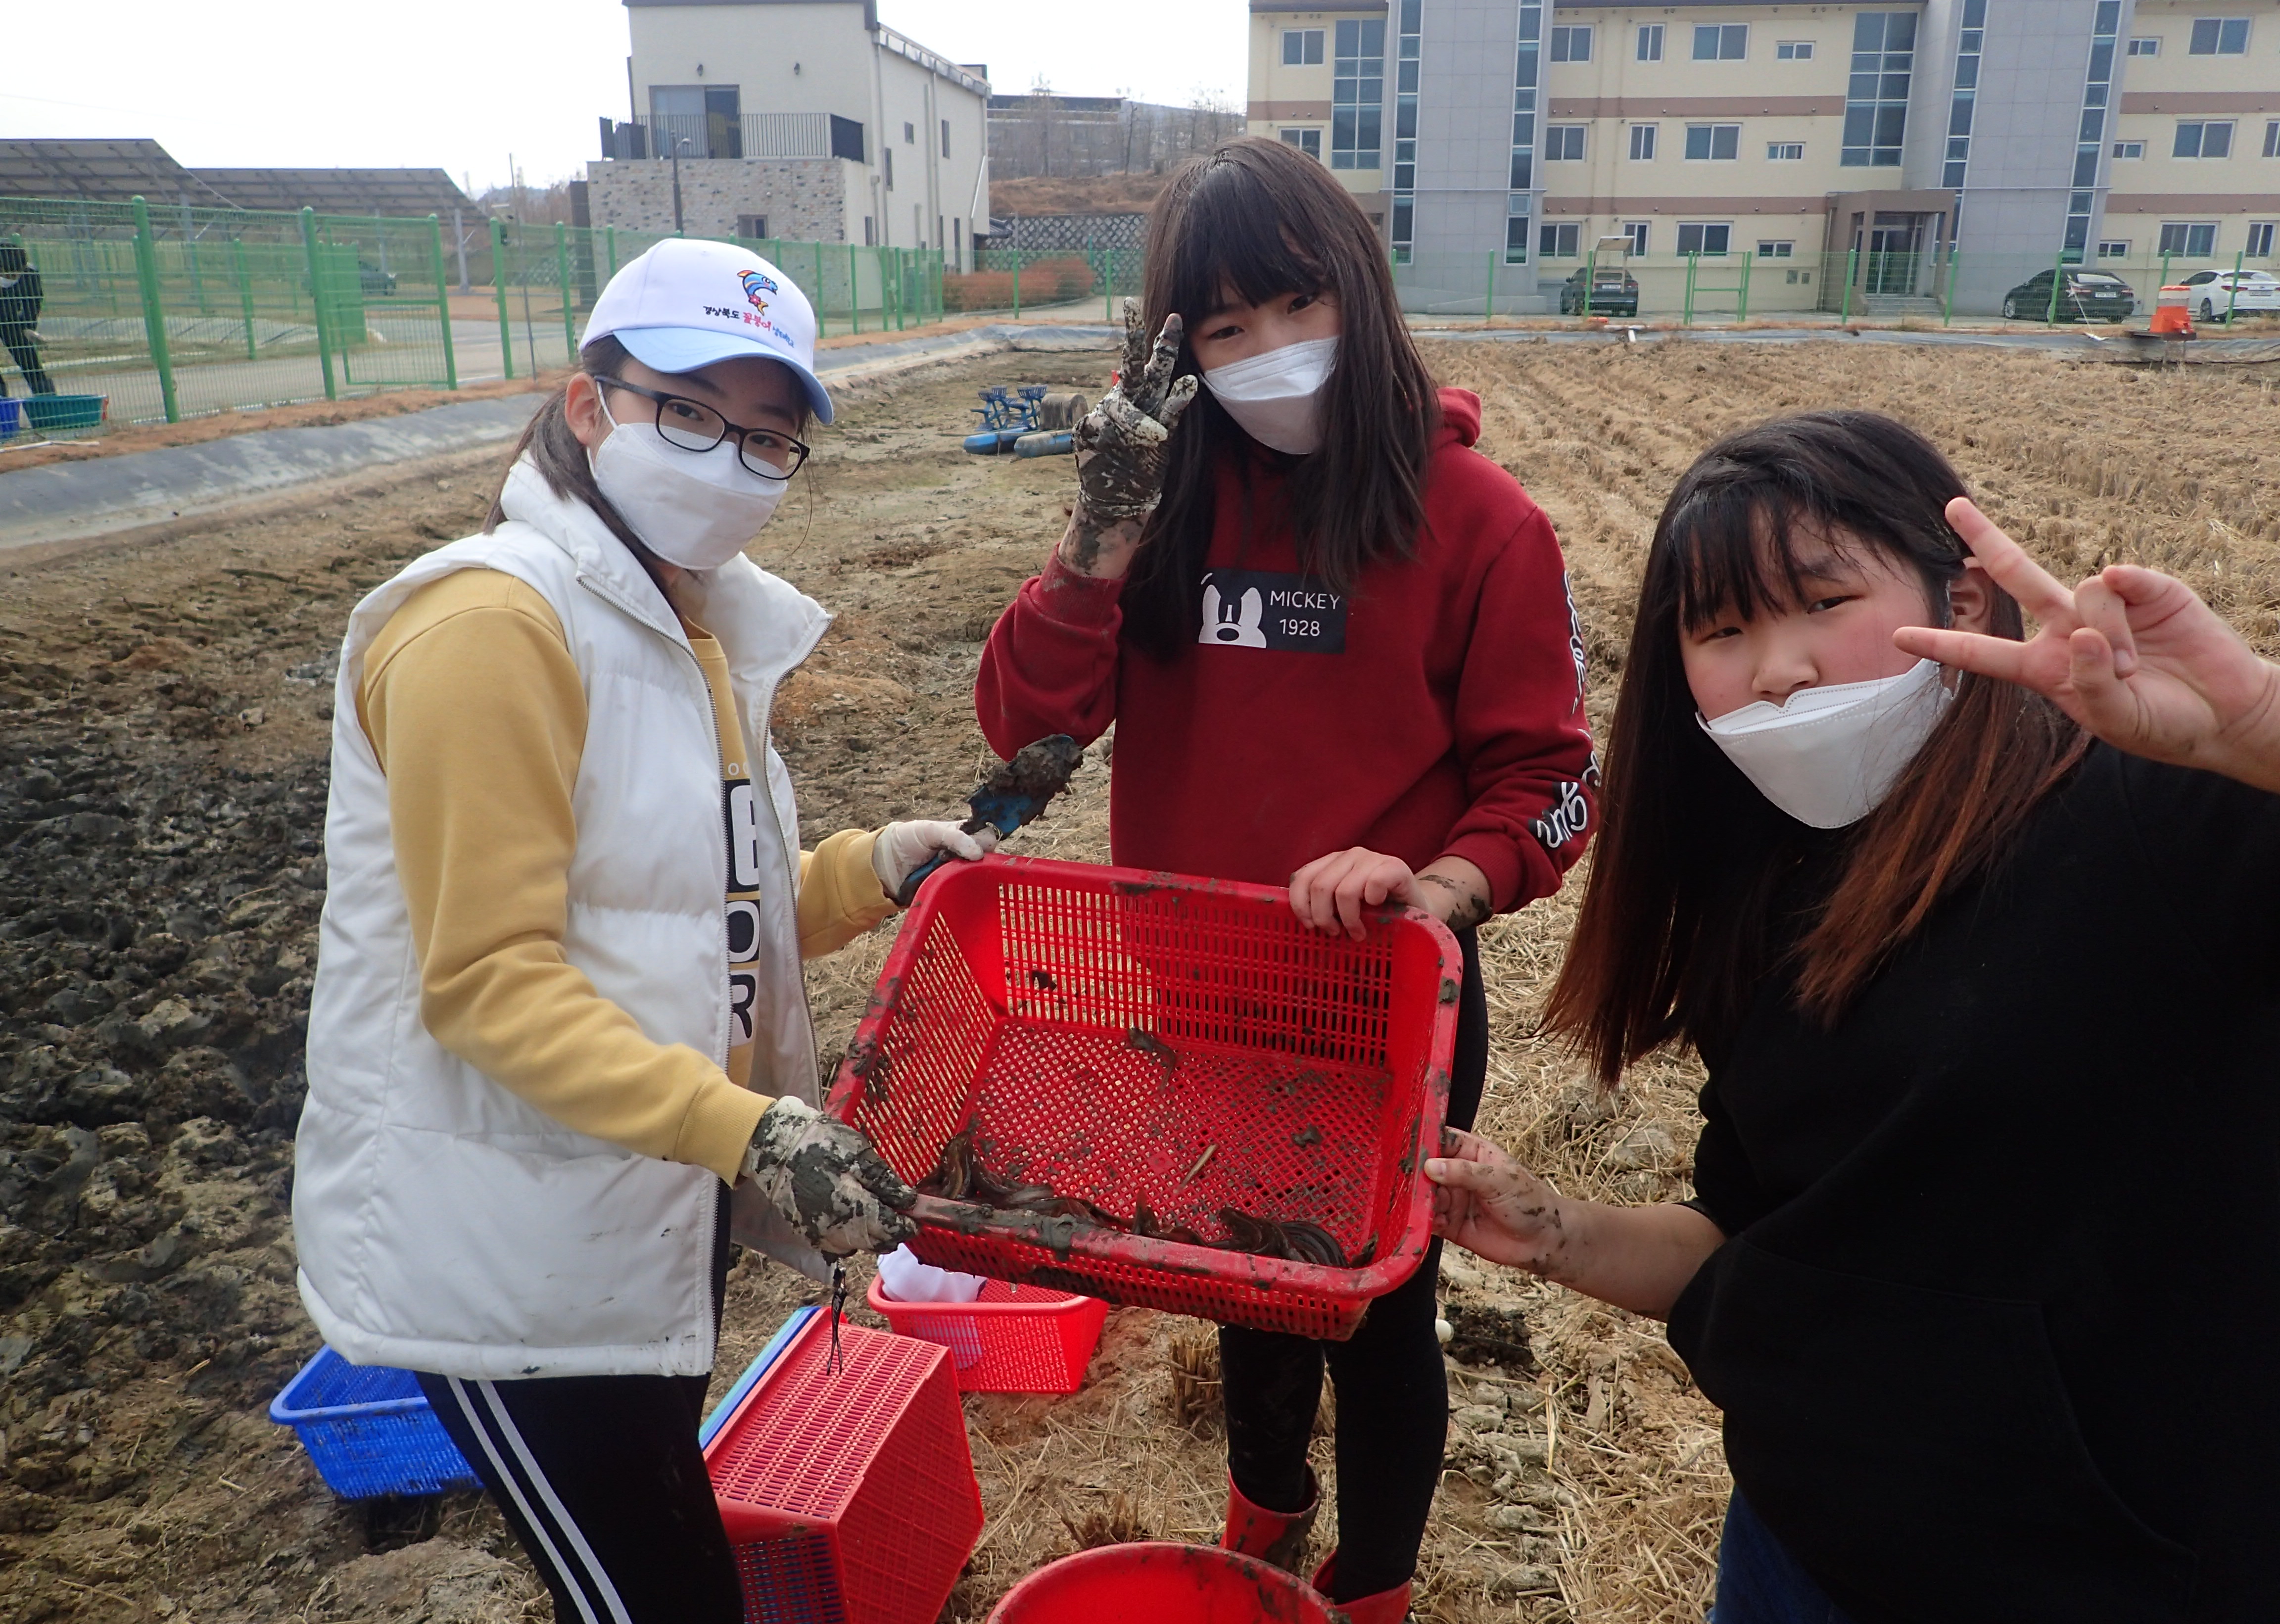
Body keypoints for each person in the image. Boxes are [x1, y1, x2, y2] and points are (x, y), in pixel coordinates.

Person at [1422, 410, 2280, 1624]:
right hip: (1799, 1545)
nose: (1776, 667)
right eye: (1722, 630)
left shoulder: (2159, 819)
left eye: (1821, 601)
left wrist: (2256, 735)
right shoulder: (1755, 892)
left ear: (1967, 600)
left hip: (2109, 1573)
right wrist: (1555, 1227)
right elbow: (1752, 1232)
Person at [293, 239, 979, 1623]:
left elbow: (691, 904)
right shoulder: (492, 624)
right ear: (591, 401)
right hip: (507, 1256)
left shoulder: (678, 624)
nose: (729, 459)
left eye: (770, 438)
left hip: (624, 1216)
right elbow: (488, 984)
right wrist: (750, 1131)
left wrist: (871, 867)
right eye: (690, 413)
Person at [974, 138, 1599, 1622]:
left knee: (1381, 1313)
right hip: (1203, 987)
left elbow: (1554, 781)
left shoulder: (1483, 523)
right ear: (1176, 354)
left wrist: (1441, 879)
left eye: (1296, 306)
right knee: (1241, 1273)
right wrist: (1095, 540)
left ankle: (1372, 1585)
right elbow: (1028, 728)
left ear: (1360, 297)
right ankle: (1265, 1505)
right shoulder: (1170, 513)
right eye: (1224, 329)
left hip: (1391, 998)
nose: (1269, 354)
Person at [0, 241, 56, 398]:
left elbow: (33, 302)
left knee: (28, 356)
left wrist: (28, 327)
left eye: (18, 274)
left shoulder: (30, 274)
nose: (14, 278)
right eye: (10, 275)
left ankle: (47, 401)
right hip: (6, 313)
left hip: (11, 319)